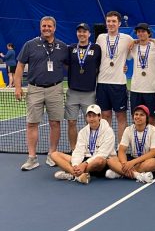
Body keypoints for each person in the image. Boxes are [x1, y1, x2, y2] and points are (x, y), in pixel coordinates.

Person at [15, 16, 68, 171]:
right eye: (44, 26)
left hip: (55, 89)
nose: (46, 28)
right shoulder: (30, 45)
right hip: (34, 89)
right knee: (31, 123)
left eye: (49, 26)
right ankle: (32, 158)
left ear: (54, 28)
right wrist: (18, 87)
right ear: (40, 27)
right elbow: (20, 66)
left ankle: (52, 155)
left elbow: (71, 67)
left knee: (55, 123)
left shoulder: (63, 47)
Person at [51, 104, 115, 184]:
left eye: (94, 116)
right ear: (86, 117)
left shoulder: (108, 131)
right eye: (89, 116)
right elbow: (78, 151)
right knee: (54, 154)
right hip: (84, 159)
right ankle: (75, 174)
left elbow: (103, 154)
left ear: (99, 117)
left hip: (100, 162)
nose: (91, 119)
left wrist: (85, 164)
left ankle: (72, 174)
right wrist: (75, 165)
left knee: (99, 160)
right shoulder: (82, 132)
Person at [95, 10, 134, 142]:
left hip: (119, 84)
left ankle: (121, 147)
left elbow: (134, 51)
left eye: (114, 21)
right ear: (106, 23)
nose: (111, 24)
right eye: (109, 21)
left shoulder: (127, 39)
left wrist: (124, 65)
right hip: (102, 83)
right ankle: (107, 146)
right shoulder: (100, 38)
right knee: (105, 116)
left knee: (121, 117)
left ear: (119, 23)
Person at [65, 23, 101, 150]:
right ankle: (74, 149)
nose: (82, 34)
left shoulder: (96, 48)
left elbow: (102, 65)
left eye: (84, 31)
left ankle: (90, 149)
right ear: (77, 34)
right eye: (79, 31)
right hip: (72, 92)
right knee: (71, 122)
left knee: (91, 123)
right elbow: (66, 64)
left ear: (89, 34)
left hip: (89, 93)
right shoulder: (71, 48)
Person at [106, 105, 155, 183]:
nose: (138, 117)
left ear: (147, 118)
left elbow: (153, 152)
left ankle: (120, 173)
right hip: (133, 159)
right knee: (111, 160)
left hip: (147, 160)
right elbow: (121, 150)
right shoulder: (128, 130)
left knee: (153, 163)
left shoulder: (154, 131)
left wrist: (132, 163)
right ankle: (137, 175)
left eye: (142, 115)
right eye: (136, 114)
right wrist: (125, 164)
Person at [128, 23, 155, 127]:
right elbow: (124, 58)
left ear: (149, 33)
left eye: (143, 31)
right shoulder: (133, 47)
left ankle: (153, 142)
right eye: (138, 32)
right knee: (136, 118)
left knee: (151, 118)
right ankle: (137, 142)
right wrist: (134, 41)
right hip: (136, 89)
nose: (140, 34)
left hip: (152, 89)